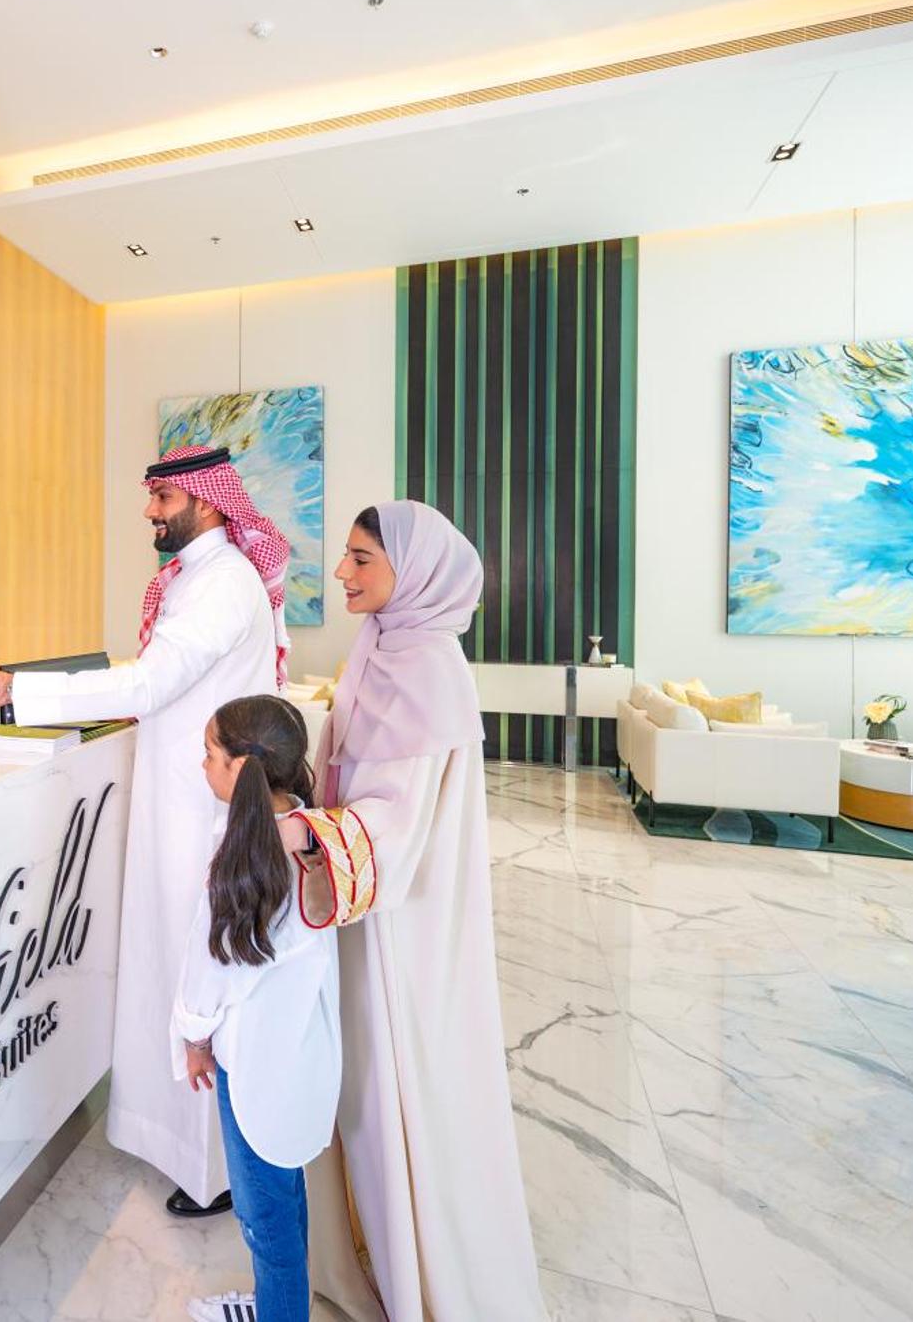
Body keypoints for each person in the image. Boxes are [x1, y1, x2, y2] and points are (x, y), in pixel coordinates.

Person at [0, 444, 289, 1217]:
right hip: (179, 801)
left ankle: (215, 1170)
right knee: (168, 966)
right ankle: (185, 1149)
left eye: (162, 497)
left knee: (195, 971)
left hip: (203, 813)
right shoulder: (202, 576)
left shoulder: (225, 582)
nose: (150, 511)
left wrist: (13, 688)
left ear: (206, 502)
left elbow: (147, 682)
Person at [300, 501, 547, 1322]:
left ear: (418, 572)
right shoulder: (380, 644)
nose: (344, 572)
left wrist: (303, 834)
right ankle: (355, 1256)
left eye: (363, 559)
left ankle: (414, 1278)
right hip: (365, 912)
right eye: (347, 555)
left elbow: (395, 820)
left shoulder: (431, 668)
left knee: (390, 1088)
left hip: (402, 926)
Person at [176, 695, 339, 1322]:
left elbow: (206, 972)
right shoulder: (310, 836)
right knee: (286, 1192)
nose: (202, 765)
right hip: (305, 1055)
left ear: (242, 770)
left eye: (211, 755)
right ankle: (279, 1305)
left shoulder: (241, 866)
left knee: (263, 1222)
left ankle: (280, 1311)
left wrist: (193, 1040)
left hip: (253, 1070)